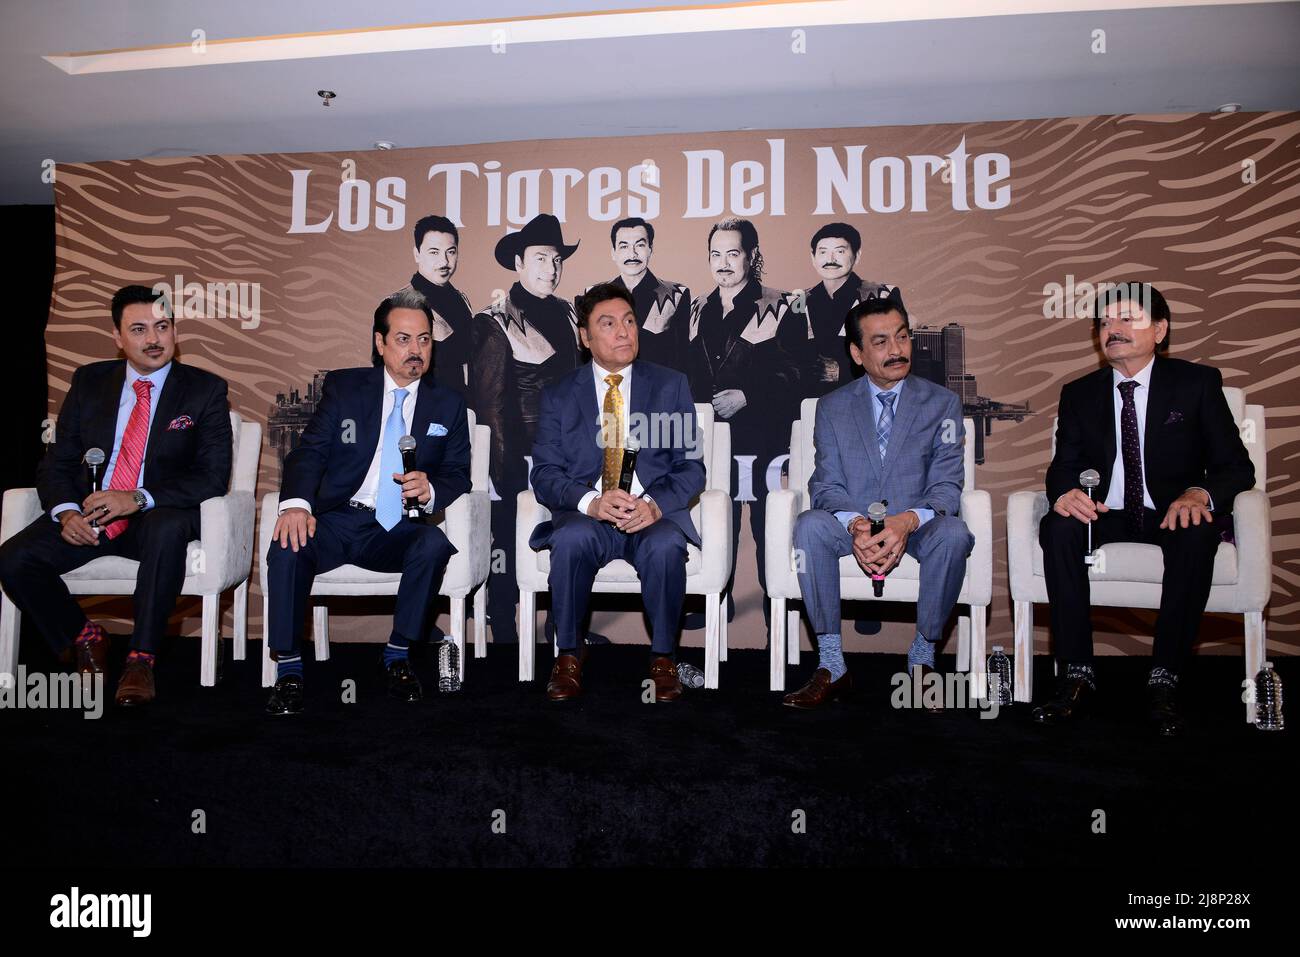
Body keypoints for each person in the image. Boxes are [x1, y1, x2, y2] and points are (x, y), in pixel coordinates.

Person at [1033, 282, 1254, 736]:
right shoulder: (1080, 392)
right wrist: (1064, 493)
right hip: (1106, 513)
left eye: (1127, 318)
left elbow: (1236, 467)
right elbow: (1064, 465)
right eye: (1105, 322)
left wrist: (1199, 493)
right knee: (1058, 527)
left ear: (1160, 329)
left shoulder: (1197, 384)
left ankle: (1164, 679)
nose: (1113, 328)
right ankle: (1076, 675)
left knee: (1197, 529)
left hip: (1171, 511)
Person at [0, 284, 232, 706]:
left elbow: (212, 478)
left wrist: (137, 498)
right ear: (118, 338)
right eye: (139, 329)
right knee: (15, 557)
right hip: (91, 512)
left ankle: (141, 659)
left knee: (166, 529)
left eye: (163, 326)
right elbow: (59, 462)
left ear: (175, 331)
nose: (154, 339)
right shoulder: (90, 382)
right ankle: (85, 636)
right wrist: (67, 513)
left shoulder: (204, 390)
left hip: (158, 512)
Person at [264, 289, 471, 715]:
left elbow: (458, 473)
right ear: (379, 343)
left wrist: (430, 488)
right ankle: (288, 670)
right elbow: (311, 451)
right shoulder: (345, 388)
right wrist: (297, 504)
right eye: (403, 339)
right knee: (287, 543)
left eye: (425, 340)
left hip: (395, 529)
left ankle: (397, 655)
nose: (416, 350)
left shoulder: (448, 404)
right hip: (337, 519)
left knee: (432, 546)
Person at [784, 292, 972, 710]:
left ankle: (922, 661)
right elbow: (827, 485)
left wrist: (906, 522)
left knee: (955, 534)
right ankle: (832, 666)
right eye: (881, 341)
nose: (896, 350)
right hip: (853, 521)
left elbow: (946, 486)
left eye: (902, 338)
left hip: (916, 524)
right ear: (857, 352)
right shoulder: (832, 408)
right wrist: (854, 526)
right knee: (810, 525)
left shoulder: (942, 404)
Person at [528, 282, 705, 702]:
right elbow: (546, 474)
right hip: (589, 516)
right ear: (585, 338)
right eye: (608, 324)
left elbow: (691, 467)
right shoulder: (558, 395)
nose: (624, 331)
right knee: (569, 539)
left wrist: (655, 505)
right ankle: (569, 653)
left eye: (629, 321)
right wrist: (592, 502)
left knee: (665, 548)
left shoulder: (669, 386)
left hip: (649, 517)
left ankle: (663, 657)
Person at [685, 217, 812, 627]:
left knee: (769, 533)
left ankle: (779, 623)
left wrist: (749, 396)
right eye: (715, 255)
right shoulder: (697, 309)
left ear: (752, 256)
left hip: (766, 440)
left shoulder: (783, 305)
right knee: (713, 529)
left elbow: (802, 374)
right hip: (710, 443)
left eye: (732, 254)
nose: (723, 263)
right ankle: (716, 612)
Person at [469, 213, 582, 646]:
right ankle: (503, 632)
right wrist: (505, 474)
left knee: (567, 543)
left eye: (556, 260)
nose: (550, 269)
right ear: (518, 262)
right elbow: (489, 406)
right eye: (540, 258)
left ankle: (563, 630)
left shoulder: (569, 313)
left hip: (570, 460)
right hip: (516, 460)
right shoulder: (492, 321)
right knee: (508, 544)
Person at [801, 222, 889, 396]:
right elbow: (788, 354)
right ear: (813, 257)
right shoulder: (800, 300)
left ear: (857, 255)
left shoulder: (880, 295)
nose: (830, 259)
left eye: (840, 251)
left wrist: (843, 372)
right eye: (823, 252)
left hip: (864, 395)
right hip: (810, 399)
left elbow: (889, 353)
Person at [598, 216, 690, 372]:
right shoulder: (594, 297)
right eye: (624, 246)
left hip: (659, 392)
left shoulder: (676, 295)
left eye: (639, 245)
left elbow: (682, 359)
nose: (632, 254)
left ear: (650, 250)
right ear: (613, 253)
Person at [398, 214, 473, 401]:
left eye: (451, 251)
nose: (444, 261)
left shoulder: (461, 300)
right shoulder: (398, 304)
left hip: (463, 411)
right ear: (417, 254)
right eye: (434, 252)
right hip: (421, 411)